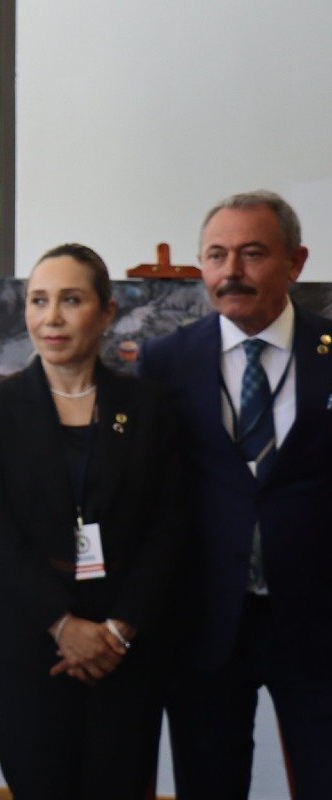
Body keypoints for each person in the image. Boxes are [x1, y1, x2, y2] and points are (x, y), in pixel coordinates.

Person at [0, 243, 183, 798]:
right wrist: (64, 626)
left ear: (106, 312)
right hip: (29, 640)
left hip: (125, 648)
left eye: (71, 300)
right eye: (38, 301)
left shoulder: (151, 405)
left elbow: (172, 526)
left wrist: (116, 631)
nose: (51, 317)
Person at [139, 190, 332, 798]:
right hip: (206, 622)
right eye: (217, 256)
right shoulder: (165, 362)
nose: (231, 273)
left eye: (252, 255)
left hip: (319, 621)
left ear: (295, 262)